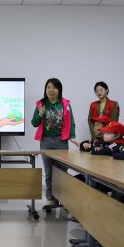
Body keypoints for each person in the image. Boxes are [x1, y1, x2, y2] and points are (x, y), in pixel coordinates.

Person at [31, 78, 75, 206]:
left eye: (54, 87)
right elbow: (34, 123)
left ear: (59, 90)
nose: (51, 90)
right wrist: (40, 114)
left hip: (61, 141)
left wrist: (72, 136)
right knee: (49, 171)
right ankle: (50, 199)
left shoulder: (65, 104)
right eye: (48, 87)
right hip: (46, 142)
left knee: (62, 172)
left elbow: (71, 121)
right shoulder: (41, 104)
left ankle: (64, 200)